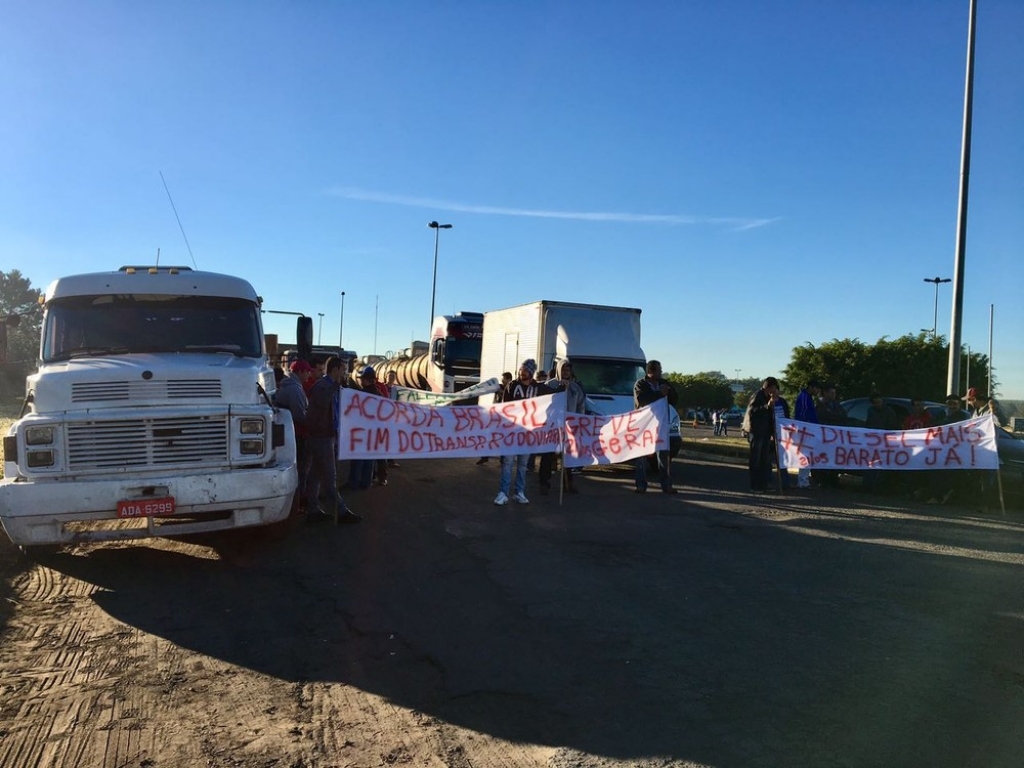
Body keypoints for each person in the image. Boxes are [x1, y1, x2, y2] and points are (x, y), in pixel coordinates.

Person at [305, 356, 361, 524]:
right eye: (343, 369)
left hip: (323, 436)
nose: (344, 373)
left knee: (315, 475)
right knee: (330, 477)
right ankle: (341, 512)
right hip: (321, 437)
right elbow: (323, 402)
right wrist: (337, 384)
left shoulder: (331, 387)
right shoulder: (323, 386)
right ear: (335, 370)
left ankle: (312, 510)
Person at [494, 360, 540, 506]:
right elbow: (504, 407)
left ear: (531, 372)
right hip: (511, 432)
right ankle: (503, 493)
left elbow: (553, 394)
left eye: (525, 370)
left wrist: (563, 386)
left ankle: (519, 492)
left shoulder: (538, 388)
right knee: (507, 462)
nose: (522, 372)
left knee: (523, 464)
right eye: (521, 369)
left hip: (528, 433)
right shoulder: (512, 386)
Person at [539, 358, 585, 495]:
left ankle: (568, 484)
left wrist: (578, 421)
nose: (566, 372)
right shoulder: (550, 385)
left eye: (568, 370)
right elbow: (544, 404)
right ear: (559, 370)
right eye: (564, 369)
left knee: (567, 456)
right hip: (552, 426)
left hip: (569, 426)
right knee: (548, 455)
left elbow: (581, 405)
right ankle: (544, 483)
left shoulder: (575, 387)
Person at [633, 360, 678, 494]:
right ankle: (641, 485)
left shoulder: (664, 383)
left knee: (664, 456)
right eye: (659, 370)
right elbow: (641, 400)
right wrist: (659, 393)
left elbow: (674, 399)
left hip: (661, 426)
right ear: (651, 372)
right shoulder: (640, 384)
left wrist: (668, 392)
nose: (661, 372)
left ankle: (666, 485)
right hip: (644, 426)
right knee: (641, 456)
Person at [274, 359, 314, 510]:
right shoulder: (295, 390)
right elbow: (299, 415)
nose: (309, 375)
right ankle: (299, 501)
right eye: (307, 371)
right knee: (302, 469)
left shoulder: (288, 386)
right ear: (301, 372)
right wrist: (313, 420)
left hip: (290, 433)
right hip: (298, 434)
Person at [346, 366, 387, 489]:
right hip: (374, 432)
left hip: (362, 432)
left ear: (366, 380)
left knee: (358, 458)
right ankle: (366, 483)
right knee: (369, 459)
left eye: (362, 379)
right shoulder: (379, 393)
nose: (361, 381)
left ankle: (354, 482)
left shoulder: (362, 394)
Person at [746, 377, 780, 492]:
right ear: (770, 387)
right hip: (757, 431)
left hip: (765, 432)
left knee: (764, 460)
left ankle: (763, 484)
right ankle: (754, 485)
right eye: (774, 387)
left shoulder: (768, 397)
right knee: (756, 459)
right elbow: (752, 411)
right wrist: (767, 406)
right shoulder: (758, 396)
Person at [477, 372, 513, 465]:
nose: (502, 381)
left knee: (503, 439)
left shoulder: (511, 388)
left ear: (509, 379)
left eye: (504, 379)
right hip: (495, 416)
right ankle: (484, 456)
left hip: (505, 418)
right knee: (488, 436)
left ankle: (503, 459)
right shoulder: (499, 387)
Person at [793, 379, 820, 488]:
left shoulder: (808, 397)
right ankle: (803, 481)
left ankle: (804, 480)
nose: (817, 391)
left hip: (808, 429)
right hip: (805, 430)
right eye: (817, 389)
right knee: (805, 455)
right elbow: (803, 413)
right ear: (812, 387)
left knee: (808, 456)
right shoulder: (804, 397)